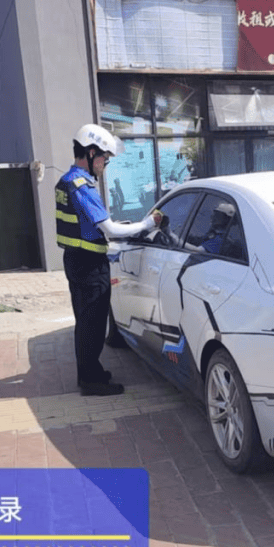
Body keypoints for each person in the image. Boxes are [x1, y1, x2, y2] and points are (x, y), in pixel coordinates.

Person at [55, 123, 160, 396]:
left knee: (85, 320)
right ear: (91, 153)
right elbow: (110, 229)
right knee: (92, 323)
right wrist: (147, 224)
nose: (105, 164)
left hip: (76, 260)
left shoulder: (66, 180)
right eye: (105, 158)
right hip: (89, 265)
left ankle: (90, 370)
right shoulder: (82, 186)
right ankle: (91, 380)